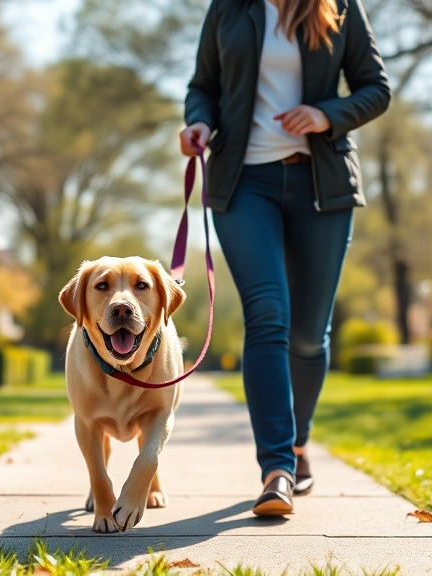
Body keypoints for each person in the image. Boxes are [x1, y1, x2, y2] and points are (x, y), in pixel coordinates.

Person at [180, 0, 390, 516]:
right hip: (244, 183)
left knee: (308, 336)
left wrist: (326, 115)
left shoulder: (339, 6)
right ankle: (277, 469)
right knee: (268, 314)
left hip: (321, 185)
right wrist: (198, 123)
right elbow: (202, 86)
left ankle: (297, 443)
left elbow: (376, 89)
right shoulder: (230, 8)